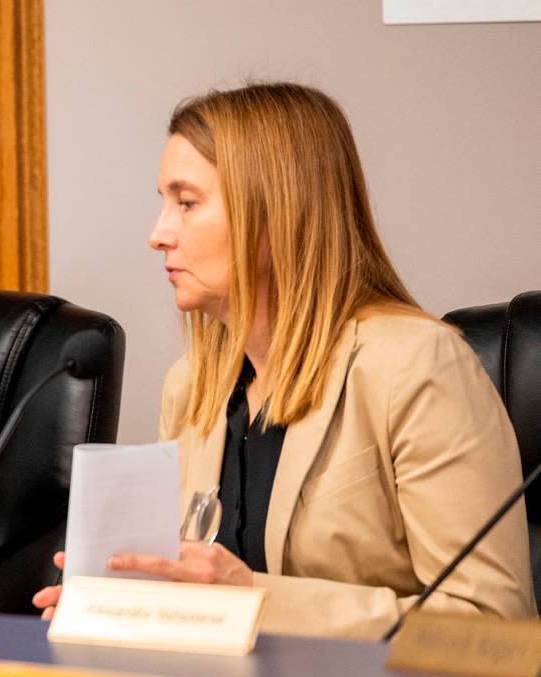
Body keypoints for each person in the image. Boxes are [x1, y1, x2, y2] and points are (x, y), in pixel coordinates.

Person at [34, 82, 535, 638]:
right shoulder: (191, 386)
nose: (158, 234)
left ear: (276, 212)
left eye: (187, 202)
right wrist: (122, 607)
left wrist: (254, 599)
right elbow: (196, 602)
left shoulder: (417, 366)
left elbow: (494, 627)